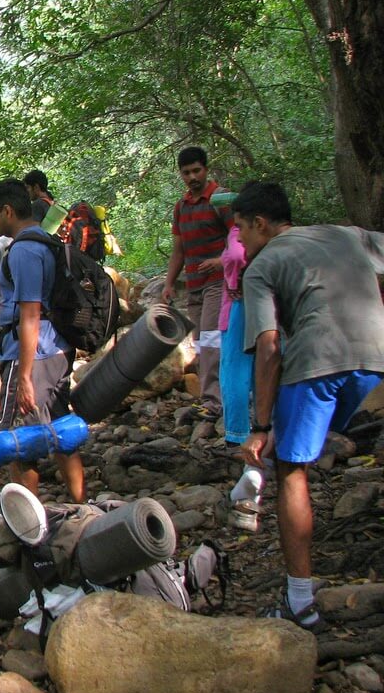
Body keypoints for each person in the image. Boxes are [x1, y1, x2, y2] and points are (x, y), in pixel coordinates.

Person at [235, 181, 384, 631]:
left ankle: (300, 603)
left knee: (291, 471)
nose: (239, 240)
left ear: (260, 223)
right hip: (375, 358)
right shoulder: (348, 235)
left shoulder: (262, 266)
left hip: (316, 362)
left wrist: (259, 426)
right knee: (297, 435)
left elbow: (268, 347)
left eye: (241, 230)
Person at [0, 178, 86, 502]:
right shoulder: (47, 239)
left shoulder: (24, 250)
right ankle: (80, 506)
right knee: (60, 431)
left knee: (20, 443)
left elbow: (30, 314)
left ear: (8, 210)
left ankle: (30, 526)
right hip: (56, 349)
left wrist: (25, 377)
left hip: (31, 355)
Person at [161, 146, 232, 421]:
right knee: (201, 341)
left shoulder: (220, 199)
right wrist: (169, 284)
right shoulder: (181, 207)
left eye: (196, 171)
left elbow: (239, 239)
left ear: (206, 169)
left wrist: (221, 260)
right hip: (194, 284)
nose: (192, 177)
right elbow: (179, 250)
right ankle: (211, 396)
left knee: (212, 339)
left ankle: (214, 402)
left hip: (219, 282)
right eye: (186, 172)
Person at [219, 224, 262, 531]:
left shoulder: (239, 229)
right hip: (266, 307)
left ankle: (238, 437)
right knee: (264, 371)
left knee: (235, 371)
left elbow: (235, 255)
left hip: (240, 305)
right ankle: (264, 441)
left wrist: (236, 279)